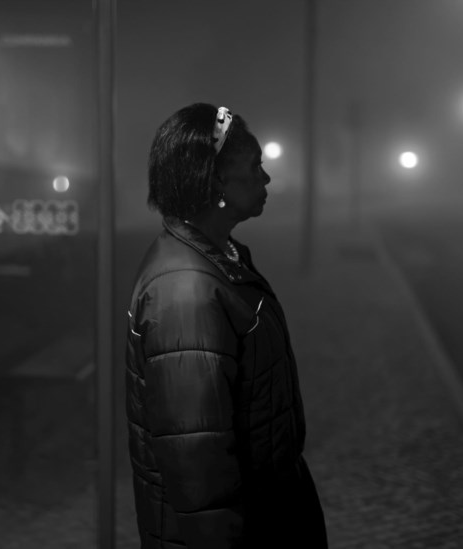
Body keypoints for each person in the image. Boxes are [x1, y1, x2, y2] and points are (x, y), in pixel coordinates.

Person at [125, 103, 327, 548]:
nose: (265, 178)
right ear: (216, 180)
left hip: (269, 517)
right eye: (254, 166)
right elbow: (199, 469)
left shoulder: (219, 259)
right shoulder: (186, 290)